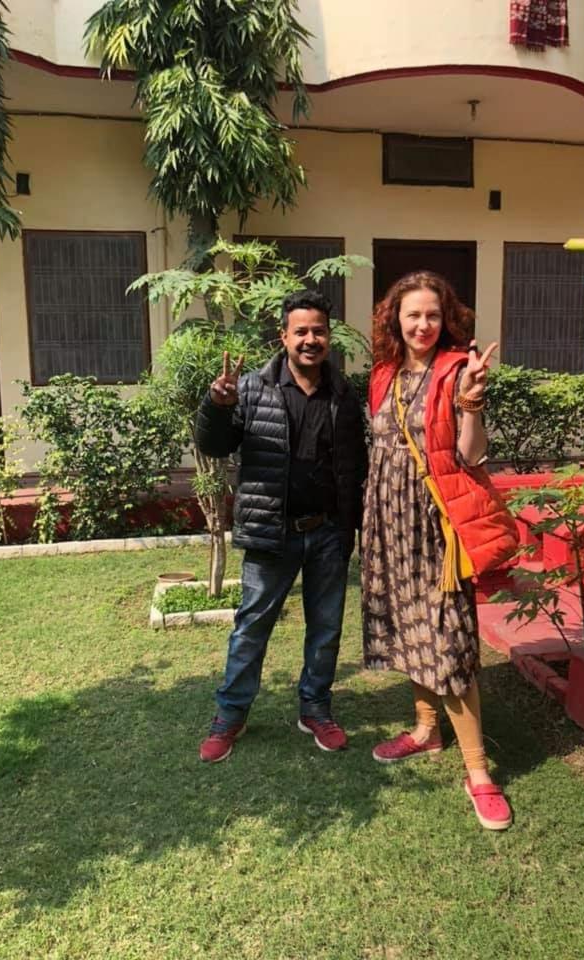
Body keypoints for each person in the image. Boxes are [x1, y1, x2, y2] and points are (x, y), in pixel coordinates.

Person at [361, 271, 519, 830]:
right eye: (413, 315)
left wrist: (472, 401)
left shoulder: (456, 370)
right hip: (388, 523)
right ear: (395, 320)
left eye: (432, 315)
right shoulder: (382, 375)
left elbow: (471, 455)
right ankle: (426, 730)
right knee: (410, 628)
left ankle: (479, 771)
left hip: (434, 526)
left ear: (445, 319)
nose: (423, 325)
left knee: (447, 638)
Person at [196, 289, 368, 762]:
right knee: (252, 627)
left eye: (319, 331)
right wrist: (217, 405)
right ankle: (230, 714)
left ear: (329, 337)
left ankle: (315, 708)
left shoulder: (344, 394)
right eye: (301, 331)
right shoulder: (252, 388)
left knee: (326, 629)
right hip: (273, 533)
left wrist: (352, 525)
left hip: (329, 533)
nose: (311, 340)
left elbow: (355, 466)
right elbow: (214, 445)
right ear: (284, 336)